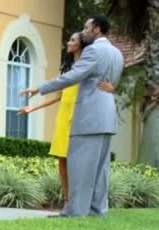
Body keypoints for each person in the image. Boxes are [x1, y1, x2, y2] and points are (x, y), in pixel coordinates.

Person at [19, 15, 124, 217]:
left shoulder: (93, 50)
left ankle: (76, 212)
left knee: (80, 167)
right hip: (107, 116)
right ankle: (97, 211)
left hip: (89, 117)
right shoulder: (117, 53)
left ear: (97, 29)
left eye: (86, 28)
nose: (83, 32)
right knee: (100, 170)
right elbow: (113, 83)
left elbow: (73, 76)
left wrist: (40, 88)